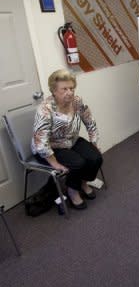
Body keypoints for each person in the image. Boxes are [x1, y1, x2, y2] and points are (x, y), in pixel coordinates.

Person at [32, 69, 102, 210]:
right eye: (64, 89)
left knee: (96, 158)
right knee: (78, 163)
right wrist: (54, 163)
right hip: (51, 147)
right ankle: (72, 191)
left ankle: (83, 182)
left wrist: (94, 142)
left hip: (71, 140)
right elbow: (40, 143)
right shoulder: (45, 109)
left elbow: (90, 121)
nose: (69, 92)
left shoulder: (76, 101)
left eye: (71, 88)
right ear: (54, 90)